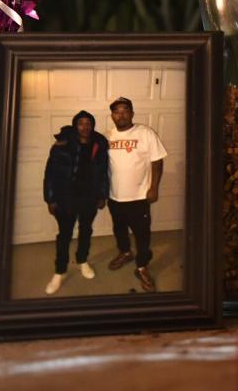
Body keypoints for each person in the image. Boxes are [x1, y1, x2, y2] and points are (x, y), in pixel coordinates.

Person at [42, 111, 110, 295]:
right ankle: (60, 271)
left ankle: (82, 261)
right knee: (64, 235)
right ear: (75, 125)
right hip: (65, 198)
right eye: (81, 123)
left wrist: (103, 195)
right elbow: (50, 174)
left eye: (89, 123)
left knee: (86, 231)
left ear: (93, 125)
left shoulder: (99, 144)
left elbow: (104, 172)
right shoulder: (61, 146)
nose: (85, 127)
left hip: (89, 197)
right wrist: (50, 198)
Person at [106, 97, 167, 292]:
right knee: (119, 229)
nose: (121, 114)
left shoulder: (145, 133)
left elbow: (157, 162)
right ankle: (125, 252)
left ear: (132, 113)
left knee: (142, 234)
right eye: (117, 111)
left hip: (139, 197)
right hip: (114, 196)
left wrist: (154, 187)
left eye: (125, 110)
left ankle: (142, 266)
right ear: (112, 116)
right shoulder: (107, 136)